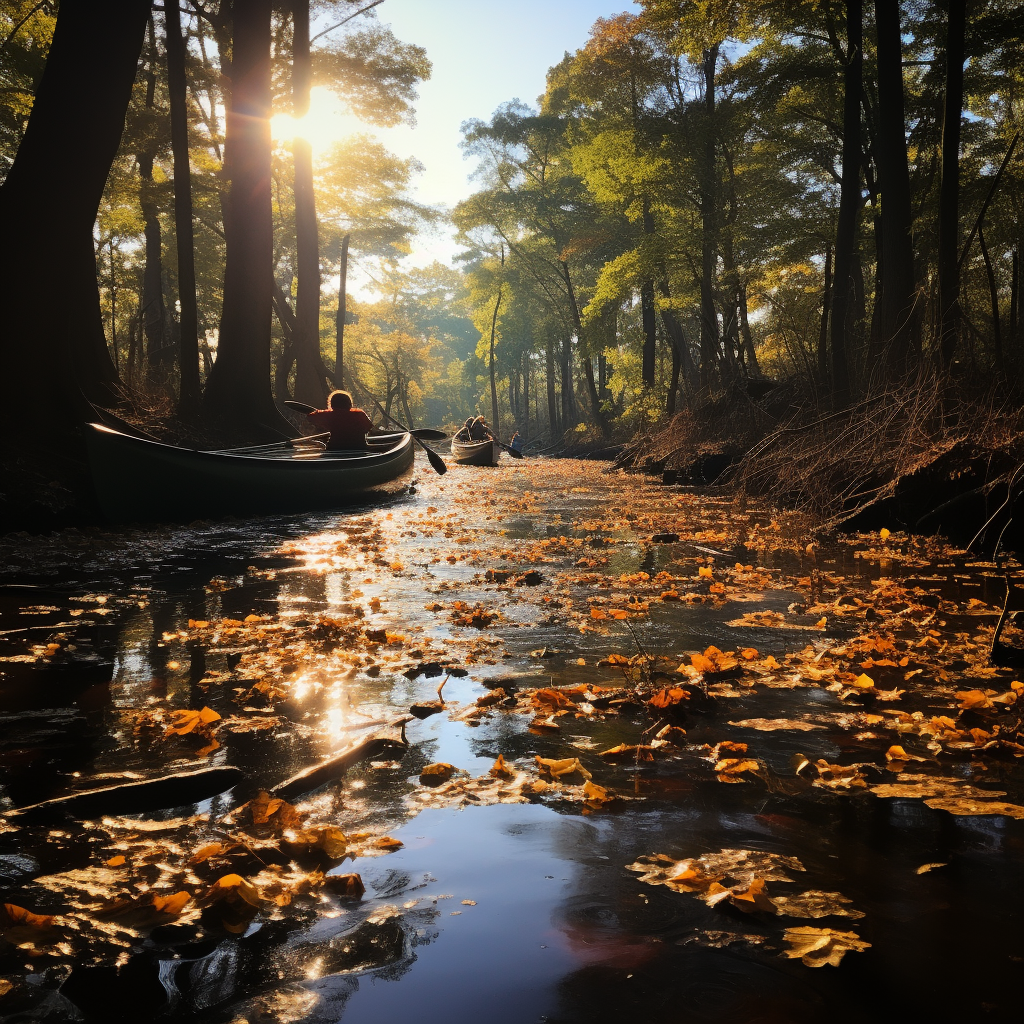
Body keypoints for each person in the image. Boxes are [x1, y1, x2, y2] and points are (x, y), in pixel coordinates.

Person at [306, 390, 373, 451]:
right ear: (349, 404)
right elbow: (368, 427)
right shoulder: (359, 414)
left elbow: (310, 417)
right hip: (359, 448)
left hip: (335, 448)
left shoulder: (329, 415)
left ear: (332, 405)